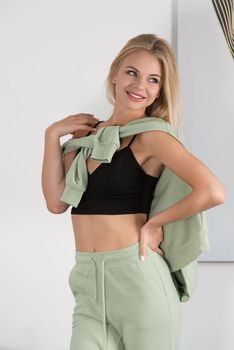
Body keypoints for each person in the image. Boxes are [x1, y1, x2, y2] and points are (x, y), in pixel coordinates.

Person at [41, 33, 226, 350]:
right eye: (132, 72)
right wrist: (51, 135)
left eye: (153, 80)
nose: (140, 85)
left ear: (158, 92)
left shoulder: (152, 137)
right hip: (88, 281)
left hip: (138, 280)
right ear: (115, 74)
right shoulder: (84, 139)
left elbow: (213, 191)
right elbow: (57, 202)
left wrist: (155, 225)